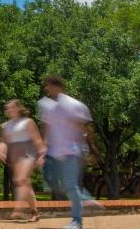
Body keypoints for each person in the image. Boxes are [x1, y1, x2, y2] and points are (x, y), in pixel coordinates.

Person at [42, 76, 94, 229]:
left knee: (70, 185)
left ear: (58, 87)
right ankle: (85, 197)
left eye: (50, 86)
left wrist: (87, 149)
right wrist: (43, 146)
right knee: (50, 181)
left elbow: (86, 128)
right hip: (53, 152)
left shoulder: (73, 105)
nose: (47, 89)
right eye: (47, 87)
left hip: (72, 151)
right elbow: (46, 127)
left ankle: (77, 221)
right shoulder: (47, 105)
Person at [0, 99, 46, 223]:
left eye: (11, 107)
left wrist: (42, 155)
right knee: (25, 184)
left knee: (20, 180)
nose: (8, 110)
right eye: (7, 108)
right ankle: (35, 212)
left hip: (29, 152)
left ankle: (18, 209)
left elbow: (38, 141)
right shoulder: (5, 126)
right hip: (15, 155)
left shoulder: (28, 122)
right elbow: (2, 141)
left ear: (18, 108)